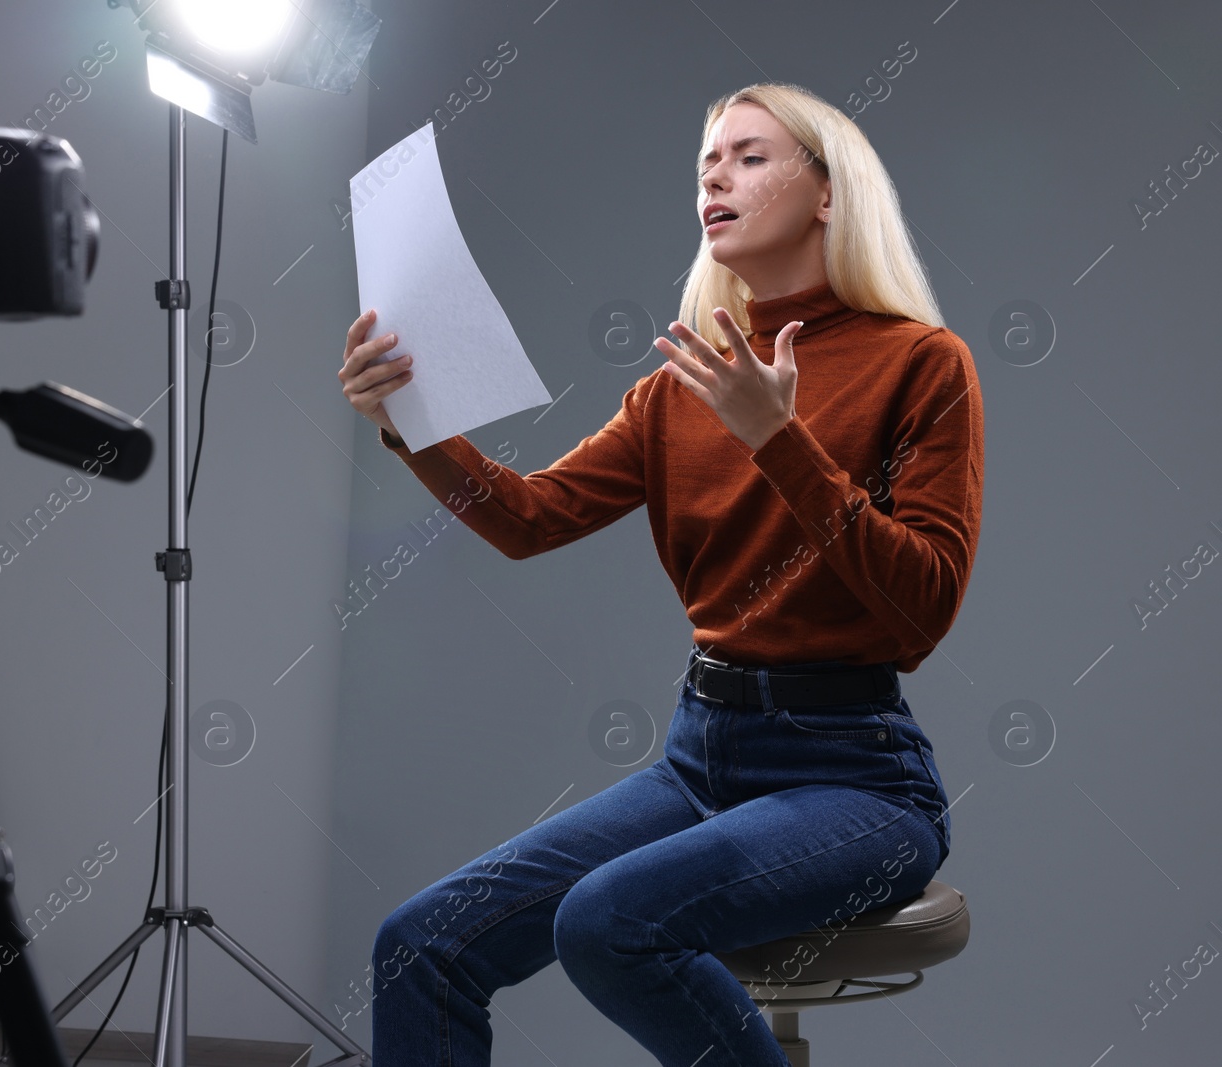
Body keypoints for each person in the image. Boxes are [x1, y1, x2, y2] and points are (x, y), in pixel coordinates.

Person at [336, 80, 982, 1066]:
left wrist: (780, 440)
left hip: (858, 777)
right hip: (700, 757)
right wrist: (408, 427)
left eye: (748, 155)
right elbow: (526, 518)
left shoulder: (922, 365)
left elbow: (920, 609)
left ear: (826, 193)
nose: (714, 175)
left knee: (606, 920)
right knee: (416, 945)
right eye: (704, 164)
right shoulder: (678, 390)